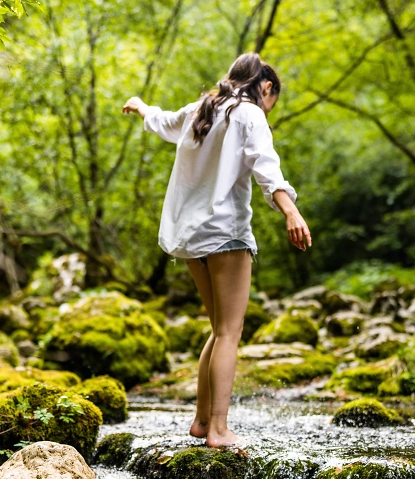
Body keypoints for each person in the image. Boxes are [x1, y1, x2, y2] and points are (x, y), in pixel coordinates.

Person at [121, 52, 311, 447]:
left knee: (218, 329)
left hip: (190, 237)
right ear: (267, 87)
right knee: (229, 332)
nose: (270, 107)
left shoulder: (201, 109)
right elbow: (265, 165)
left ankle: (202, 422)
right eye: (273, 99)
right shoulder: (249, 114)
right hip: (226, 232)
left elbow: (161, 121)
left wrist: (140, 106)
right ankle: (220, 430)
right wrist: (291, 211)